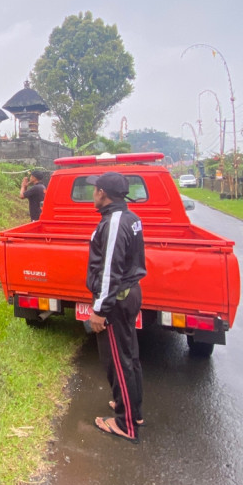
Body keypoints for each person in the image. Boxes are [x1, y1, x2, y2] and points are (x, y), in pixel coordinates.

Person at [85, 171, 146, 443]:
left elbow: (110, 270)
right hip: (128, 294)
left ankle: (125, 424)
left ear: (102, 193)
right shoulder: (129, 218)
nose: (93, 194)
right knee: (129, 355)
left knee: (118, 361)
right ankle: (132, 409)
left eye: (95, 190)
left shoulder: (114, 223)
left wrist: (100, 310)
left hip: (116, 300)